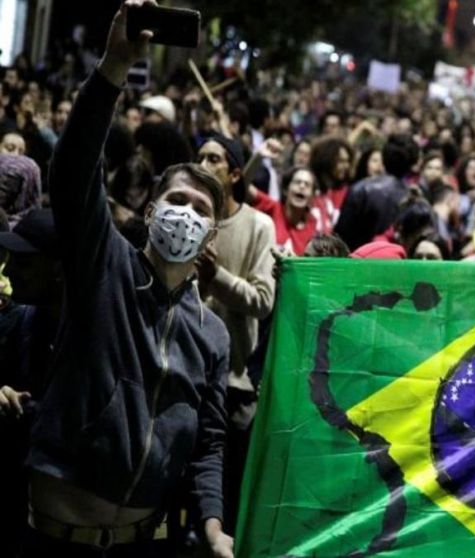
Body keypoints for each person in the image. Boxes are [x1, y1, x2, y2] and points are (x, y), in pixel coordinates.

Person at [20, 3, 234, 555]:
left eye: (199, 209)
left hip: (143, 539)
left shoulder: (211, 334)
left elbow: (209, 443)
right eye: (176, 200)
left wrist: (212, 524)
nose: (185, 213)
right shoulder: (105, 265)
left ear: (211, 237)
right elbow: (72, 172)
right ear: (152, 210)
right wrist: (112, 69)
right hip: (53, 533)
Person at [194, 134, 277, 526]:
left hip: (234, 383)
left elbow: (262, 300)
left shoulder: (259, 226)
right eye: (199, 158)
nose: (204, 166)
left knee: (224, 495)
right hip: (187, 373)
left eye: (214, 160)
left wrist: (216, 277)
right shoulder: (189, 220)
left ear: (235, 174)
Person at [0, 209, 63, 556]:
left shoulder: (96, 341)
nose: (8, 271)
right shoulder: (18, 322)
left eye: (24, 263)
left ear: (57, 268)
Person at [335, 134, 419, 251]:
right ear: (412, 164)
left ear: (383, 159)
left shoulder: (360, 189)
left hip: (360, 262)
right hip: (398, 264)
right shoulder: (415, 198)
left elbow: (340, 238)